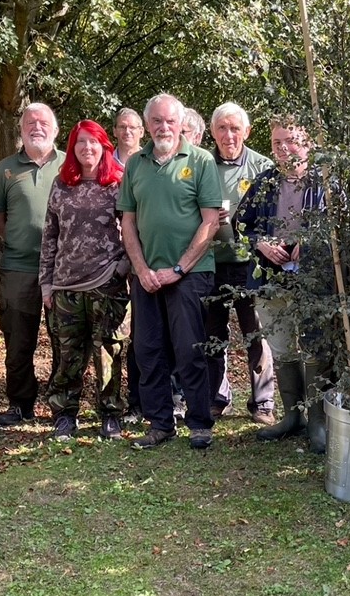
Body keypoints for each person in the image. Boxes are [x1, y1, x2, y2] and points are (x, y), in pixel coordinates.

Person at [117, 93, 223, 450]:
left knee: (189, 348)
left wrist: (179, 268)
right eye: (157, 121)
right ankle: (160, 423)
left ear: (181, 125)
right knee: (148, 350)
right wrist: (141, 268)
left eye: (171, 121)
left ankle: (199, 423)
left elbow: (210, 222)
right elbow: (127, 222)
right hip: (145, 275)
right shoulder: (135, 164)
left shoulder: (202, 160)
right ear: (148, 125)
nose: (164, 127)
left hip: (190, 274)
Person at [234, 119, 332, 451]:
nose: (283, 149)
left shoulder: (325, 182)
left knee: (316, 348)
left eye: (291, 141)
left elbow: (344, 226)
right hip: (271, 280)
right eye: (277, 143)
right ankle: (293, 417)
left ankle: (318, 421)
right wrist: (261, 242)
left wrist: (313, 241)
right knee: (282, 347)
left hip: (314, 282)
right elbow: (241, 223)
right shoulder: (265, 181)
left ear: (308, 144)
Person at [39, 121, 130, 440]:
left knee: (109, 351)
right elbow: (50, 235)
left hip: (107, 283)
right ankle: (65, 414)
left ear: (104, 146)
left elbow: (134, 231)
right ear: (73, 148)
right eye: (80, 143)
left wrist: (123, 267)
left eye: (93, 142)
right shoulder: (61, 184)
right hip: (66, 285)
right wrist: (46, 283)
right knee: (67, 354)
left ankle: (110, 415)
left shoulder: (118, 183)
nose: (87, 148)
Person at [0, 103, 64, 427]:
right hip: (19, 267)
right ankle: (20, 403)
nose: (37, 127)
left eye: (44, 122)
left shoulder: (69, 165)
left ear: (56, 130)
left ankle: (63, 405)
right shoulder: (4, 170)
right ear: (21, 129)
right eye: (30, 122)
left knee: (64, 338)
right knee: (18, 340)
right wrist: (22, 239)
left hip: (64, 269)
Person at [205, 102, 276, 425]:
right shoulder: (202, 164)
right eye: (222, 128)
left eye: (235, 128)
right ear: (212, 132)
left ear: (246, 131)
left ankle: (263, 402)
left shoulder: (263, 166)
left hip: (252, 263)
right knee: (213, 333)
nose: (228, 135)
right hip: (212, 261)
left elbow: (276, 216)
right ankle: (217, 397)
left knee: (256, 333)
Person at [110, 106, 145, 422]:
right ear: (115, 131)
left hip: (142, 260)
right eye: (122, 126)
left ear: (141, 131)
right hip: (108, 263)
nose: (128, 132)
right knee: (114, 333)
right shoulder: (103, 162)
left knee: (143, 332)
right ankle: (114, 398)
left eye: (133, 127)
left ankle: (142, 398)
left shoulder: (149, 163)